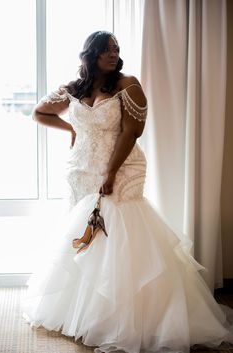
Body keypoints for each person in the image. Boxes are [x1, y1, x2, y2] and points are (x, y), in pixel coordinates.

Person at [22, 31, 233, 353]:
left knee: (122, 227)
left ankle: (128, 314)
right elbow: (40, 112)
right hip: (81, 169)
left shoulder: (127, 84)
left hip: (121, 166)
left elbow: (132, 132)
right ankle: (88, 311)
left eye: (115, 49)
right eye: (105, 50)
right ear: (89, 54)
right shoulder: (75, 88)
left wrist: (111, 171)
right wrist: (72, 130)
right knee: (86, 234)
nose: (112, 54)